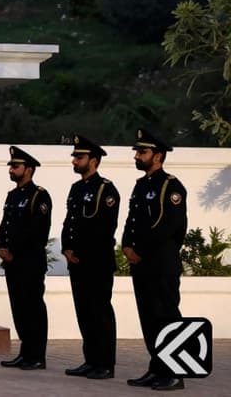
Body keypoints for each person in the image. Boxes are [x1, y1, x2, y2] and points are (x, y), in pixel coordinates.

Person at [123, 128, 188, 391]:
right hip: (142, 264)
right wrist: (127, 245)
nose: (136, 156)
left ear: (158, 156)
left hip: (161, 264)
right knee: (149, 319)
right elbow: (132, 221)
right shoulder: (141, 186)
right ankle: (157, 367)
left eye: (142, 152)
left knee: (166, 317)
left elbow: (170, 227)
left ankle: (174, 373)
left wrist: (140, 249)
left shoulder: (171, 186)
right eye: (137, 151)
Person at [61, 134, 119, 381]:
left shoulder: (106, 189)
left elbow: (104, 229)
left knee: (100, 312)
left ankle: (105, 363)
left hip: (97, 262)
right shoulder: (76, 189)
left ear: (93, 160)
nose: (74, 160)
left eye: (79, 157)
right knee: (84, 312)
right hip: (77, 262)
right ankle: (91, 359)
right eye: (74, 156)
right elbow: (69, 223)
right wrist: (67, 248)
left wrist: (81, 253)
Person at [0, 146, 52, 371]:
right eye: (11, 165)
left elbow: (37, 231)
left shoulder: (39, 196)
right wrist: (1, 247)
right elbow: (5, 225)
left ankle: (37, 355)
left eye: (15, 166)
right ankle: (25, 352)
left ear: (28, 169)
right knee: (19, 309)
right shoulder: (13, 196)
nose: (11, 169)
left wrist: (13, 250)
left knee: (33, 308)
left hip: (29, 261)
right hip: (12, 262)